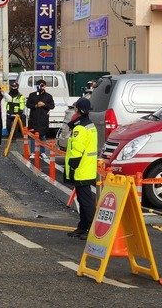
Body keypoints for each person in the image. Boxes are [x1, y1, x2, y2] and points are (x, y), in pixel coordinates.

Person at [64, 98, 98, 239]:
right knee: (83, 200)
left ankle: (90, 229)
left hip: (80, 169)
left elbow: (76, 150)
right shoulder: (89, 125)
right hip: (87, 168)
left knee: (86, 201)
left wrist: (72, 168)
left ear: (78, 110)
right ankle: (83, 227)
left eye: (75, 109)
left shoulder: (80, 128)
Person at [26, 79, 55, 158]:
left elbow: (52, 106)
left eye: (42, 85)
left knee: (43, 136)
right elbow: (28, 104)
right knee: (33, 136)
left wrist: (44, 104)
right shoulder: (32, 95)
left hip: (43, 118)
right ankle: (33, 152)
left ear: (45, 86)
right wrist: (35, 105)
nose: (40, 87)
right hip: (34, 118)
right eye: (39, 85)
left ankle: (42, 152)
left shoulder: (48, 96)